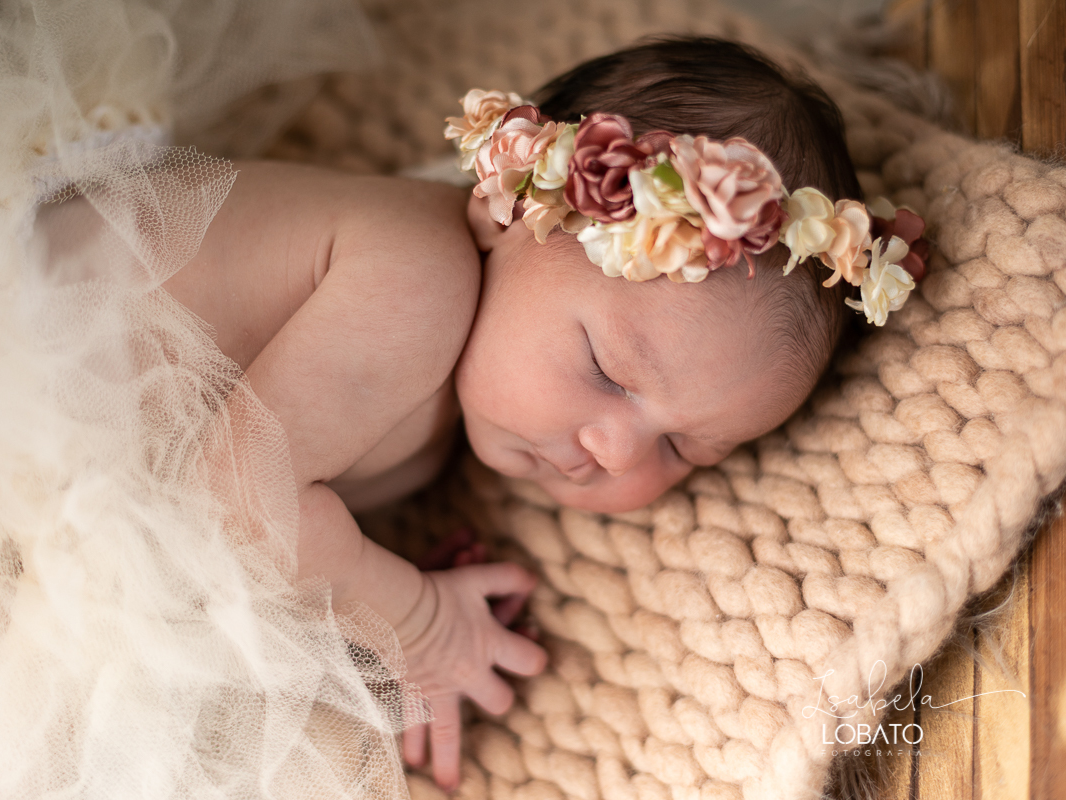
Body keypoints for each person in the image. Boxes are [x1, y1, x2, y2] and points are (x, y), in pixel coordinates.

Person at [145, 37, 929, 792]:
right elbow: (238, 498)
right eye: (610, 373)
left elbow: (246, 524)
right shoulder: (414, 276)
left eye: (689, 449)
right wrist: (416, 624)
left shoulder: (463, 384)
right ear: (503, 211)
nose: (620, 455)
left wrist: (358, 592)